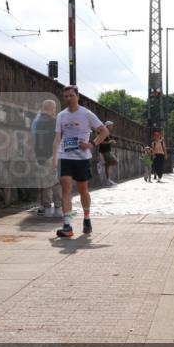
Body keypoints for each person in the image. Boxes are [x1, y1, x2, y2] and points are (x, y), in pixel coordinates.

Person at [52, 85, 109, 238]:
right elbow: (57, 138)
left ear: (78, 96)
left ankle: (87, 218)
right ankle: (67, 225)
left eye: (71, 96)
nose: (68, 99)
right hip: (65, 156)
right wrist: (54, 157)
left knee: (83, 190)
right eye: (66, 97)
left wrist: (92, 144)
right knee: (66, 190)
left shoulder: (86, 114)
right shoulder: (61, 116)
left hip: (82, 158)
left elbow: (104, 131)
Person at [31, 99, 62, 217]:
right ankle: (58, 208)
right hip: (51, 155)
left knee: (44, 183)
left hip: (39, 156)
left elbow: (32, 139)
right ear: (51, 109)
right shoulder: (55, 122)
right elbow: (57, 141)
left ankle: (46, 207)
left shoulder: (36, 122)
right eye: (54, 108)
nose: (55, 111)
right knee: (56, 183)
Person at [98, 121, 118, 185]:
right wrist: (110, 141)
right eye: (111, 125)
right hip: (104, 150)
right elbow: (100, 141)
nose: (112, 127)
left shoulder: (107, 132)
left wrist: (113, 140)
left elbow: (109, 139)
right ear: (108, 125)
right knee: (115, 161)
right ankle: (101, 164)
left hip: (107, 150)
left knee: (109, 164)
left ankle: (108, 180)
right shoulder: (104, 131)